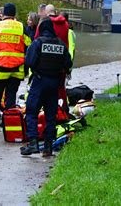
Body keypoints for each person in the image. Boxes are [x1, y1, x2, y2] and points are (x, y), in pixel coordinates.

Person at [21, 18, 72, 156]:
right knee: (50, 115)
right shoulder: (61, 45)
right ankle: (48, 147)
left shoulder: (38, 43)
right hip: (54, 83)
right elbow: (68, 64)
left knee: (32, 112)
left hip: (39, 81)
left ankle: (33, 143)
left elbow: (29, 61)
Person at [0, 3, 32, 132]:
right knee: (11, 97)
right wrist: (26, 66)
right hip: (16, 69)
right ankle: (8, 123)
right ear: (14, 14)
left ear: (3, 14)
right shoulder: (21, 27)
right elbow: (29, 46)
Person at [34, 4, 69, 109]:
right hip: (61, 59)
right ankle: (63, 109)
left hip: (45, 61)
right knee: (61, 88)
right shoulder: (65, 24)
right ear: (55, 11)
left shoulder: (44, 23)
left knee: (42, 88)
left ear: (46, 11)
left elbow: (36, 39)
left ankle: (43, 109)